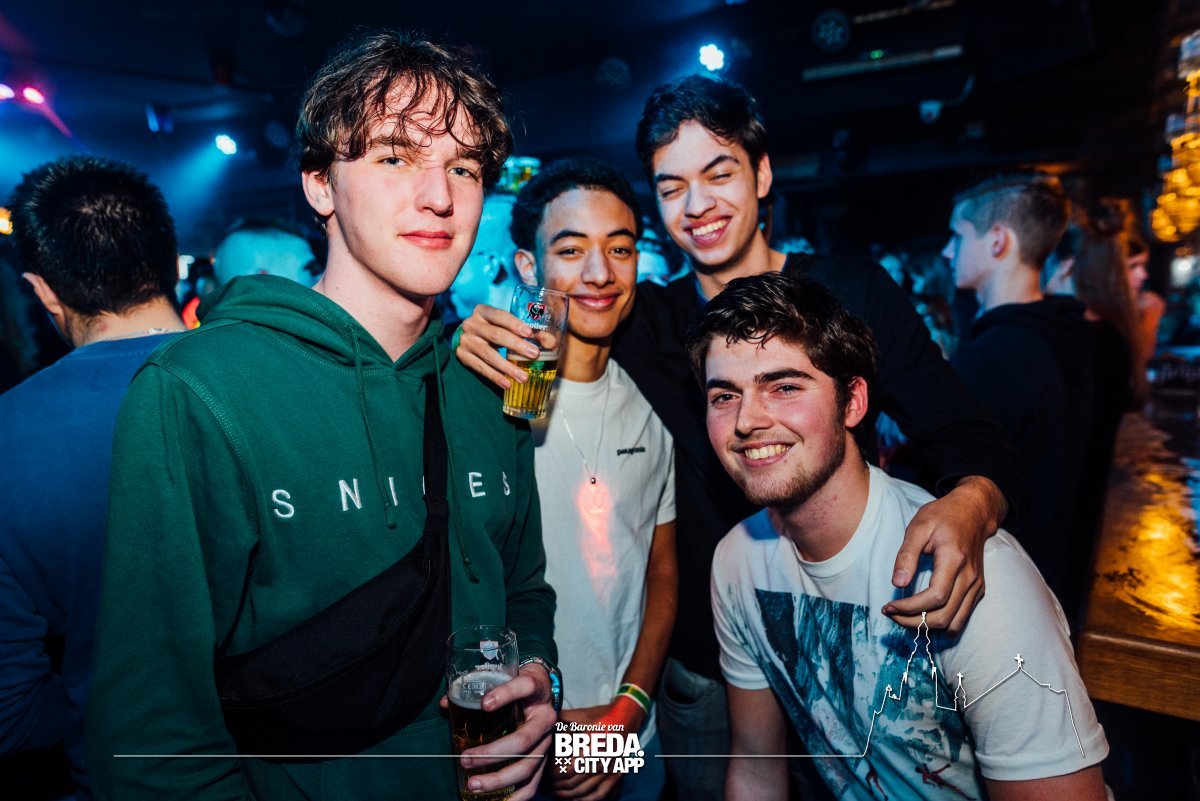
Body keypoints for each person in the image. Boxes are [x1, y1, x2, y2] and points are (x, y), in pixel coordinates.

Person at [458, 74, 1024, 800]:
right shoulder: (646, 321)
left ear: (762, 174)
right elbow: (564, 306)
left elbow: (970, 436)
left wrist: (971, 503)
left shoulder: (852, 294)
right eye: (672, 187)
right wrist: (472, 332)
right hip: (706, 674)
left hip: (859, 645)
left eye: (718, 173)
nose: (696, 205)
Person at [86, 31, 559, 801]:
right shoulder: (198, 392)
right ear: (319, 184)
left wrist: (538, 674)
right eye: (395, 156)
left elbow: (525, 588)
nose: (440, 197)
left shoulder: (488, 384)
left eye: (465, 167)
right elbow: (152, 741)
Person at [690, 271, 1108, 801]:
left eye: (785, 387)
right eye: (725, 396)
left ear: (853, 402)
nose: (747, 420)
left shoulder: (973, 577)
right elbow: (756, 765)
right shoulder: (737, 562)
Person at [0, 155, 186, 799]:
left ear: (42, 290)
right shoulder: (278, 379)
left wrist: (100, 697)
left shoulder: (8, 436)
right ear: (171, 262)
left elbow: (10, 712)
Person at [504, 158, 676, 801]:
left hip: (634, 728)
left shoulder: (658, 402)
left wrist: (627, 713)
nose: (600, 274)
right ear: (529, 267)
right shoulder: (499, 397)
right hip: (524, 732)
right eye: (571, 250)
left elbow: (662, 571)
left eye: (620, 248)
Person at [943, 174, 1095, 610]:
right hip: (1056, 577)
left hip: (1008, 590)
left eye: (958, 236)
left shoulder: (992, 358)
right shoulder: (1070, 336)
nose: (947, 250)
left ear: (998, 241)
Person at [1043, 199, 1142, 619]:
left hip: (1066, 516)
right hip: (1088, 503)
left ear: (1066, 267)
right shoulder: (1111, 334)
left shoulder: (1075, 339)